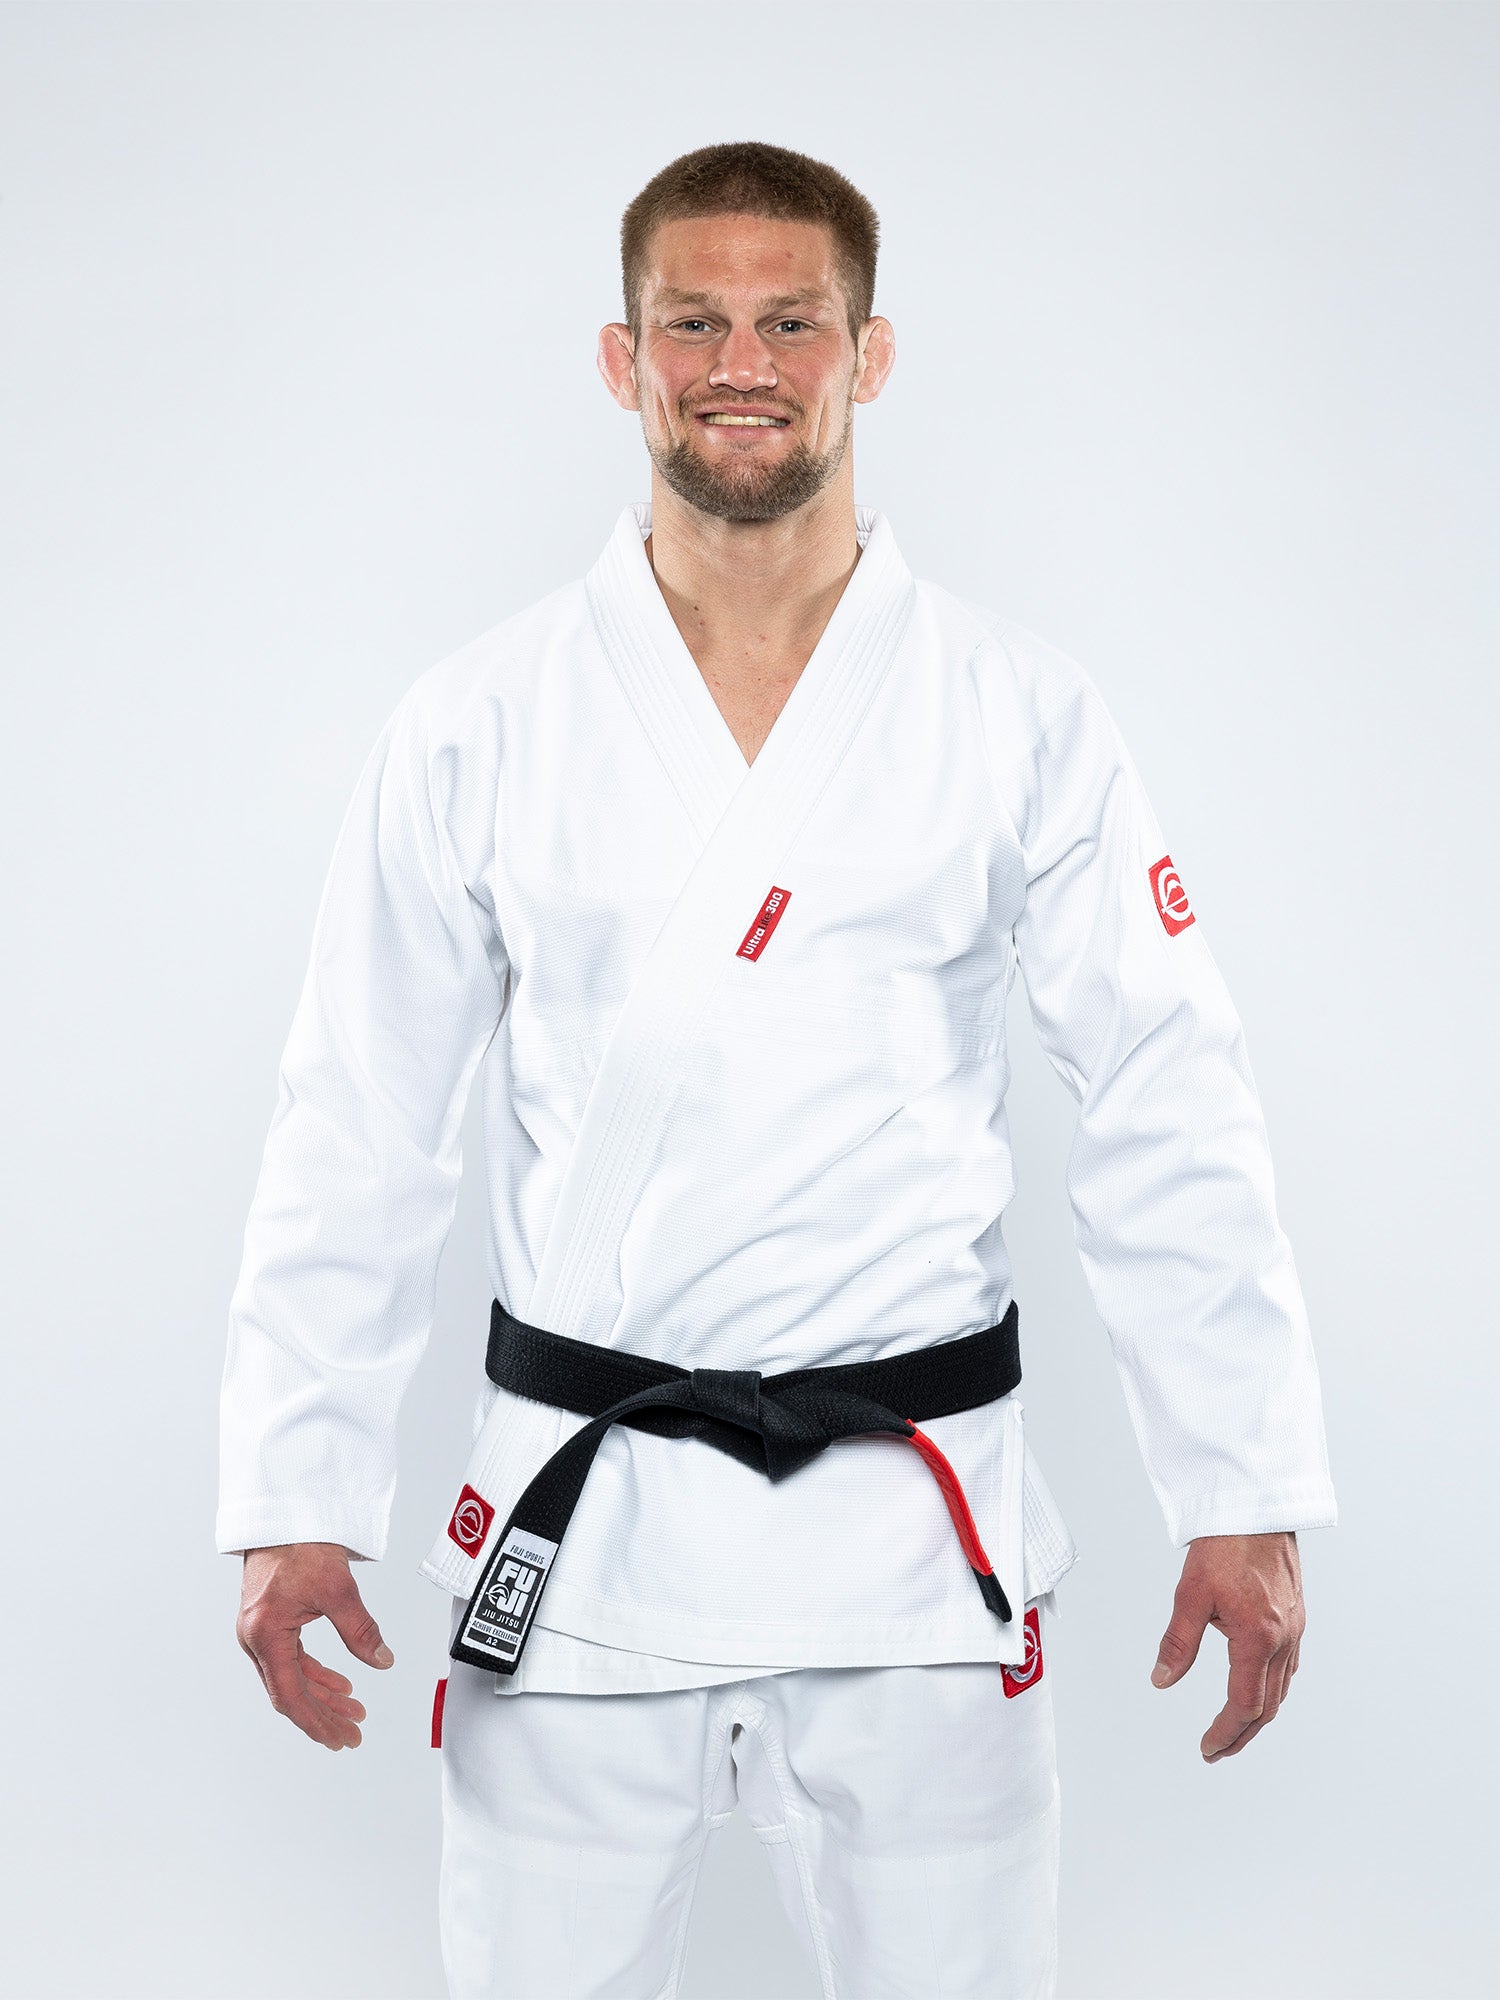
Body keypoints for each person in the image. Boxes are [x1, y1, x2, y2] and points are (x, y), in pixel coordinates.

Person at [219, 141, 1336, 2000]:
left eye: (791, 321)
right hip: (584, 1537)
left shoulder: (1015, 711)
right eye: (696, 322)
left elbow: (1166, 1096)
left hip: (917, 1531)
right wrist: (290, 1491)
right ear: (621, 356)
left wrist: (1241, 1483)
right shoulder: (481, 722)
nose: (743, 361)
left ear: (869, 355)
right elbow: (356, 1119)